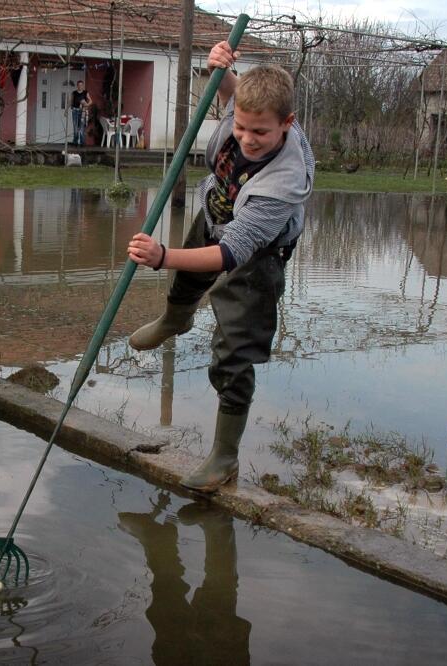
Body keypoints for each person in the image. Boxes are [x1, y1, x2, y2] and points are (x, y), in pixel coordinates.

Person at [126, 41, 315, 493]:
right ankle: (176, 317)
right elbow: (232, 95)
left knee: (232, 352)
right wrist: (219, 69)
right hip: (218, 209)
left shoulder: (283, 183)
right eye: (243, 128)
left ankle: (224, 458)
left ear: (287, 125)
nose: (248, 139)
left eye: (260, 134)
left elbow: (230, 254)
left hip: (256, 254)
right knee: (187, 278)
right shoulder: (247, 114)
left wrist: (162, 255)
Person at [71, 80, 92, 145]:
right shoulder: (74, 92)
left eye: (81, 85)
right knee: (75, 127)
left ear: (83, 86)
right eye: (79, 85)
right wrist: (67, 109)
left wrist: (87, 105)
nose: (80, 86)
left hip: (82, 111)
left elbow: (91, 101)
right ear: (77, 86)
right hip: (75, 111)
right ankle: (75, 141)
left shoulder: (85, 92)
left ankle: (82, 142)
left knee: (82, 127)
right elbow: (71, 101)